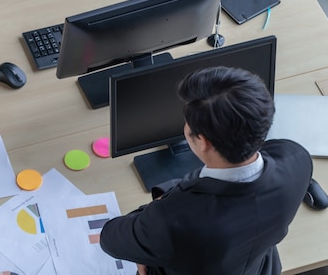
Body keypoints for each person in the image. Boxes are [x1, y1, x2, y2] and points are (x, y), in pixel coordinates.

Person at [100, 66, 312, 275]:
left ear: (203, 141)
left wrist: (158, 215)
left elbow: (110, 238)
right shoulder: (296, 159)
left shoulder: (175, 220)